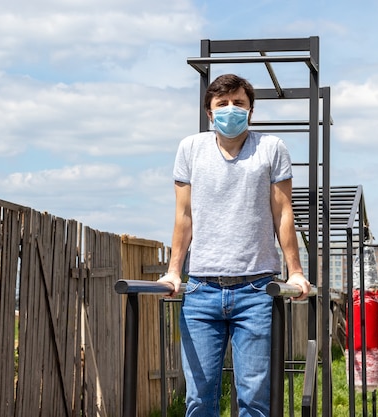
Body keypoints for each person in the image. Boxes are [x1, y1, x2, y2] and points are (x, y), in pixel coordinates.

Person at [158, 73, 310, 417]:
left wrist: (296, 273)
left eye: (238, 103)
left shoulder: (271, 148)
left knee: (254, 398)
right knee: (198, 398)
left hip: (256, 290)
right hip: (201, 292)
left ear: (250, 110)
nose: (231, 109)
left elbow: (283, 213)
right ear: (210, 113)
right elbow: (184, 216)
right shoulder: (190, 149)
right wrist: (173, 272)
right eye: (222, 104)